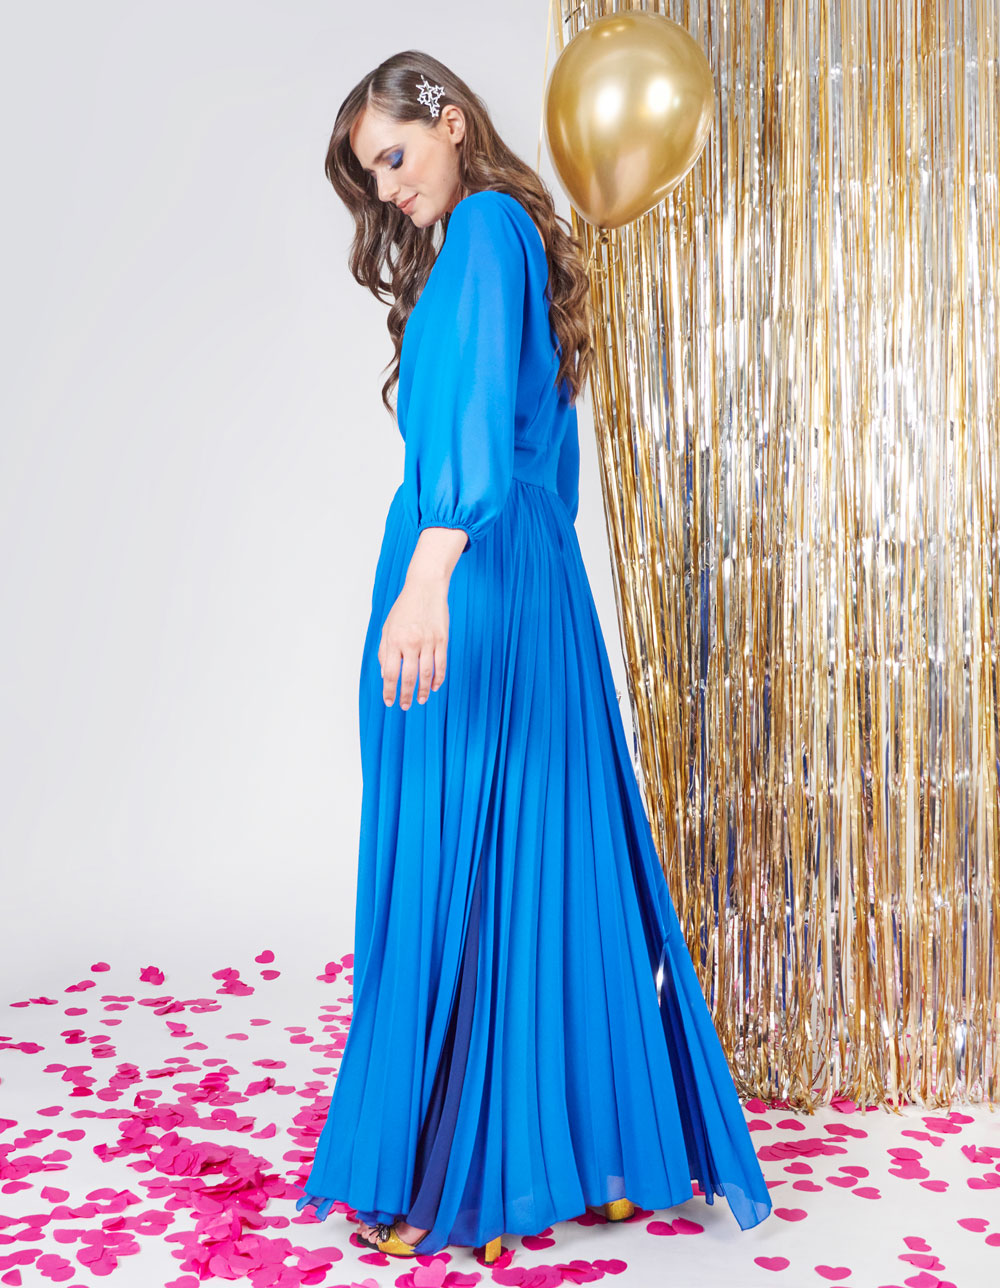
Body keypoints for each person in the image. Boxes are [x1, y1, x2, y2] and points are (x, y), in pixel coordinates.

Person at [294, 50, 772, 1262]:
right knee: (543, 857)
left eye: (393, 156)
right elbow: (534, 452)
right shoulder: (512, 238)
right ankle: (585, 1148)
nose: (386, 189)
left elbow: (466, 432)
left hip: (472, 582)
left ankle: (438, 1163)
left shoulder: (482, 231)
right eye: (369, 176)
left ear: (450, 121)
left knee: (456, 856)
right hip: (530, 582)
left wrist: (428, 579)